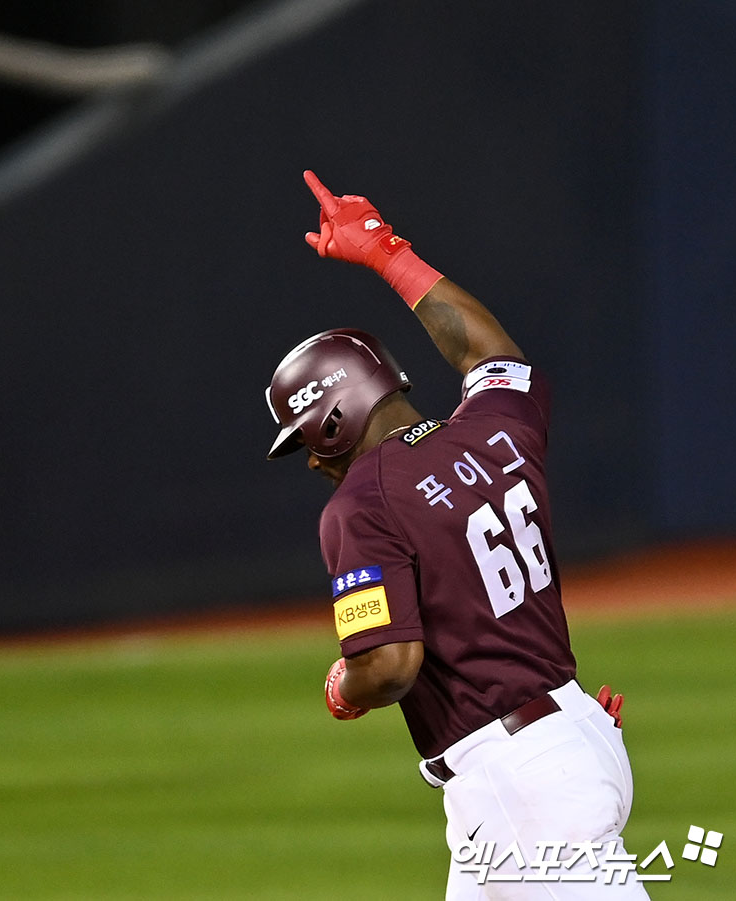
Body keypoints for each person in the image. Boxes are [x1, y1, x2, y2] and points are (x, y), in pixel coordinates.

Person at [264, 170, 645, 898]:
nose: (311, 457)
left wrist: (347, 684)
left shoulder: (360, 503)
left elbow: (393, 664)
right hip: (568, 735)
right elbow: (493, 355)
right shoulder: (495, 429)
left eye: (308, 436)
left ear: (336, 420)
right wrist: (387, 255)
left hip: (520, 781)